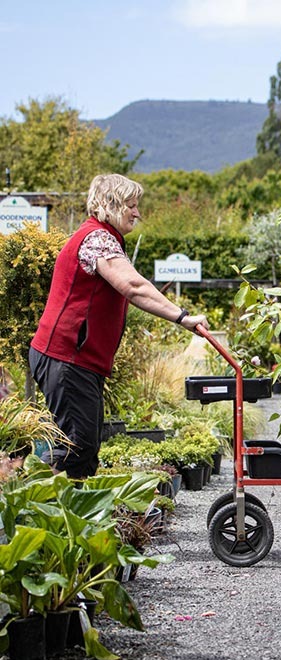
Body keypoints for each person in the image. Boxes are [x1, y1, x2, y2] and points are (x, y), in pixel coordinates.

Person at [29, 173, 209, 478]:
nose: (137, 213)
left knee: (83, 445)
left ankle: (68, 517)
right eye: (131, 205)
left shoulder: (102, 237)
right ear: (111, 204)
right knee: (77, 446)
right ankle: (44, 516)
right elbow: (133, 286)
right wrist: (183, 317)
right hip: (67, 358)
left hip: (76, 360)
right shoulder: (97, 239)